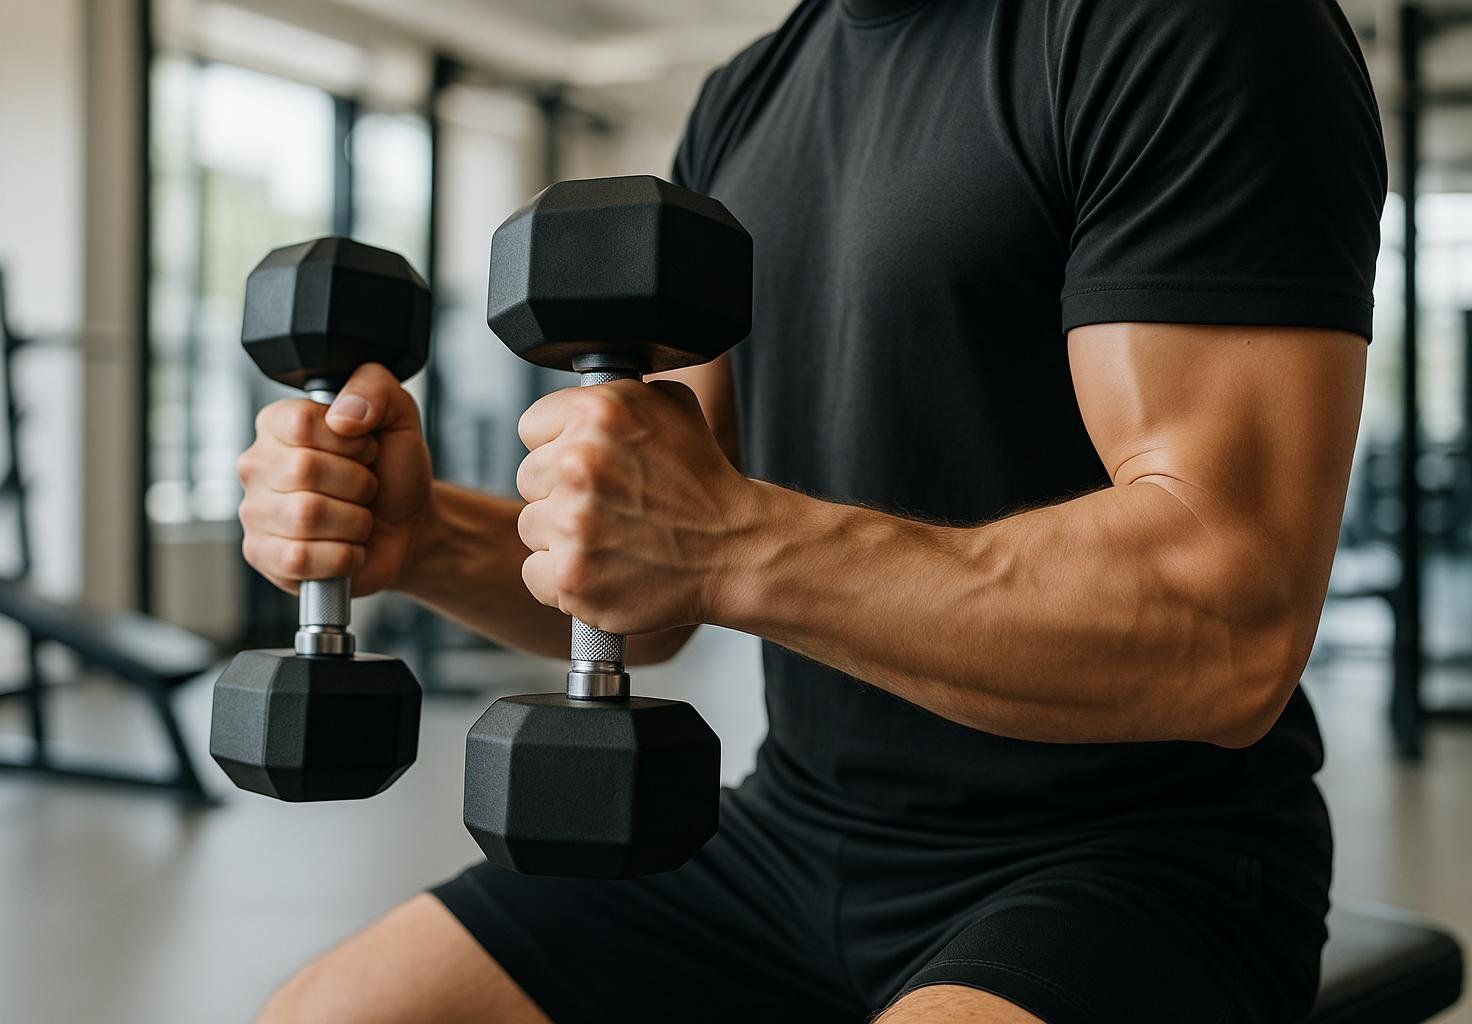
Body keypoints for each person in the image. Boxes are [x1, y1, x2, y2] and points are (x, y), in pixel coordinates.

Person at [239, 0, 1386, 1020]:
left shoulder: (1191, 29)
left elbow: (1224, 621)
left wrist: (729, 541)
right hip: (784, 837)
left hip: (1136, 862)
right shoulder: (745, 98)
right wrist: (423, 534)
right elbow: (654, 584)